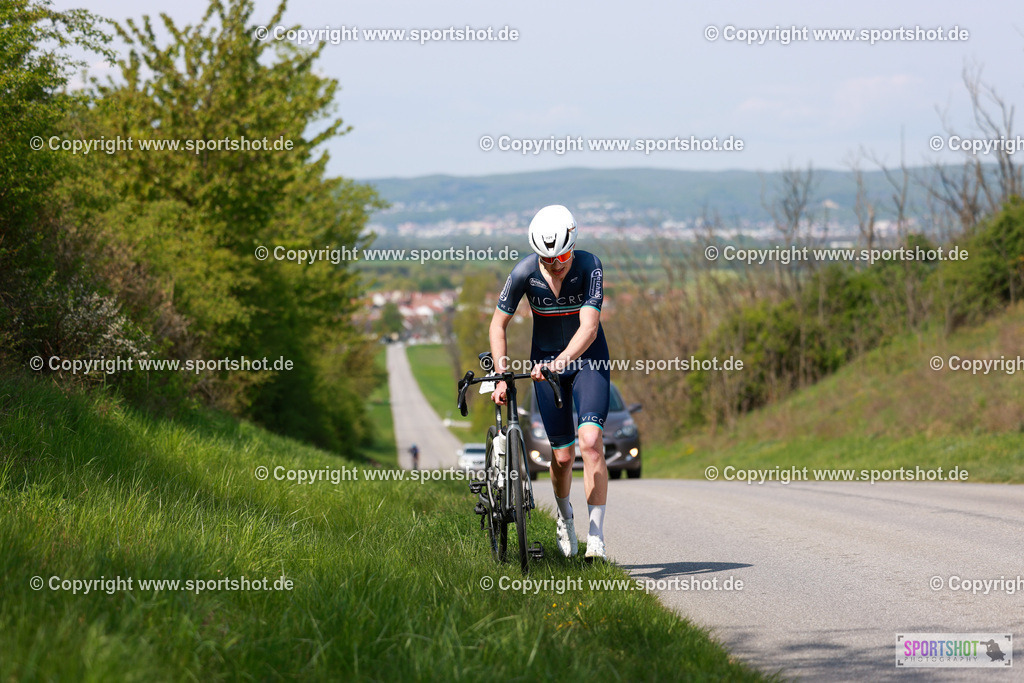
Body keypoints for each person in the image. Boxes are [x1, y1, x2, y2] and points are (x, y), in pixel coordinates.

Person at [489, 205, 610, 561]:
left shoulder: (590, 266)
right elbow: (498, 325)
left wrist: (559, 362)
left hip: (588, 359)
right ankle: (565, 518)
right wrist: (501, 374)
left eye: (562, 256)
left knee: (590, 442)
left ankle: (596, 536)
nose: (556, 265)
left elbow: (588, 329)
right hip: (544, 365)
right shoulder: (524, 272)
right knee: (561, 457)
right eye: (547, 259)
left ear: (573, 245)